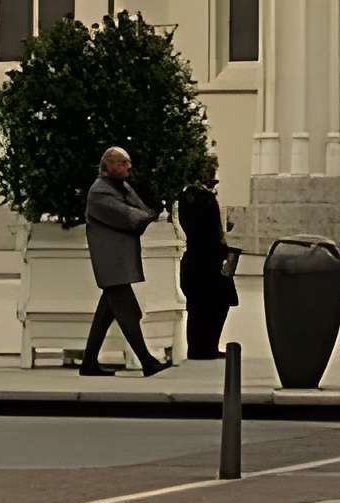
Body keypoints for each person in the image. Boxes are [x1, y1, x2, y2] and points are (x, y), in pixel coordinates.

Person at [77, 146, 169, 377]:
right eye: (122, 163)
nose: (128, 167)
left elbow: (141, 210)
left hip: (117, 262)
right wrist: (149, 216)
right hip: (111, 262)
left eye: (128, 162)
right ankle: (147, 362)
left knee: (105, 315)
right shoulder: (99, 192)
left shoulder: (120, 187)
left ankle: (88, 363)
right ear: (107, 166)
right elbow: (129, 216)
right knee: (128, 313)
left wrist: (149, 213)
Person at [176, 159, 237, 361]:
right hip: (208, 258)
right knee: (216, 303)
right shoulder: (205, 199)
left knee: (198, 306)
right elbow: (213, 230)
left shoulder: (185, 197)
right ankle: (206, 346)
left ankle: (200, 347)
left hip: (195, 258)